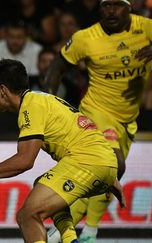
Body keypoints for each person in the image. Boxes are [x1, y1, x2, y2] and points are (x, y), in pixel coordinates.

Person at [0, 59, 125, 243]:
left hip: (88, 162)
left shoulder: (30, 107)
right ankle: (69, 238)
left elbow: (25, 160)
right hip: (104, 163)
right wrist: (108, 173)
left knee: (27, 215)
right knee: (41, 184)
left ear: (3, 90)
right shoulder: (42, 99)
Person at [44, 0, 152, 241]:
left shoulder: (146, 28)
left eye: (117, 5)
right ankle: (88, 230)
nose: (111, 11)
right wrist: (47, 102)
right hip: (97, 112)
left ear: (130, 7)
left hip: (128, 119)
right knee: (115, 165)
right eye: (106, 5)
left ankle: (66, 228)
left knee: (105, 178)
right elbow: (56, 66)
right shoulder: (86, 38)